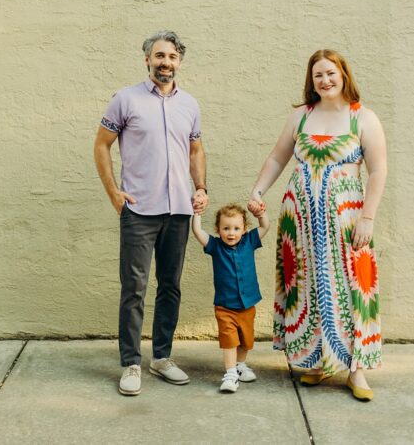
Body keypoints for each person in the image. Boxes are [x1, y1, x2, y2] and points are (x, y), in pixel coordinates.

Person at [247, 49, 387, 402]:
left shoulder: (363, 118)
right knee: (308, 287)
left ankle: (357, 371)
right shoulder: (301, 117)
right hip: (302, 222)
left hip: (346, 221)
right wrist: (258, 190)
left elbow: (378, 170)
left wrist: (368, 217)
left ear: (343, 75)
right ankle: (316, 361)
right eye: (317, 75)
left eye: (330, 73)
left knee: (352, 288)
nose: (324, 80)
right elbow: (279, 156)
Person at [93, 30, 209, 396]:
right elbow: (101, 145)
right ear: (147, 59)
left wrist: (201, 188)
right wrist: (114, 192)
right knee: (135, 288)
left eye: (172, 57)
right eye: (159, 56)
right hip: (139, 210)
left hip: (178, 209)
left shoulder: (189, 104)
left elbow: (195, 151)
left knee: (170, 287)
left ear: (179, 62)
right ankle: (131, 363)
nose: (165, 62)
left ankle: (161, 358)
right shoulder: (125, 100)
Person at [190, 202, 271, 393]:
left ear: (244, 229)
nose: (231, 233)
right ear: (218, 229)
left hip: (247, 305)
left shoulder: (249, 241)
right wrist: (197, 214)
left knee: (246, 341)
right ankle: (230, 374)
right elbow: (197, 232)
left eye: (236, 228)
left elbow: (265, 226)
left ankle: (240, 365)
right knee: (229, 341)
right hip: (225, 307)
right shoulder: (216, 246)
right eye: (226, 228)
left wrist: (261, 213)